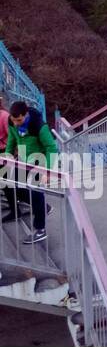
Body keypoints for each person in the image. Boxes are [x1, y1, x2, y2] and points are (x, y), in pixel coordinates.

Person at [2, 101, 59, 244]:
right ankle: (43, 207)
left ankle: (40, 229)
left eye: (19, 120)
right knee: (12, 186)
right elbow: (12, 139)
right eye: (14, 121)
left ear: (26, 114)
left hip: (40, 162)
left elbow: (51, 148)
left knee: (36, 193)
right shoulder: (12, 121)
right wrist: (8, 155)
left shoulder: (39, 126)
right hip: (24, 161)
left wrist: (47, 172)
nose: (16, 124)